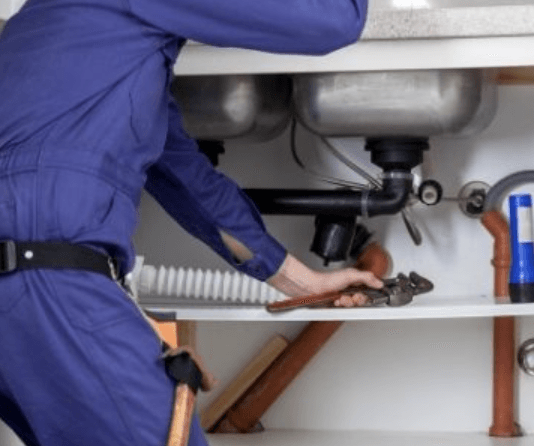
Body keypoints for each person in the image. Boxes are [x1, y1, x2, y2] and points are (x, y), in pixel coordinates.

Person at [0, 1, 383, 445]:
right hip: (49, 283)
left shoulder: (55, 24)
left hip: (27, 292)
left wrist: (301, 282)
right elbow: (334, 21)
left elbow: (187, 181)